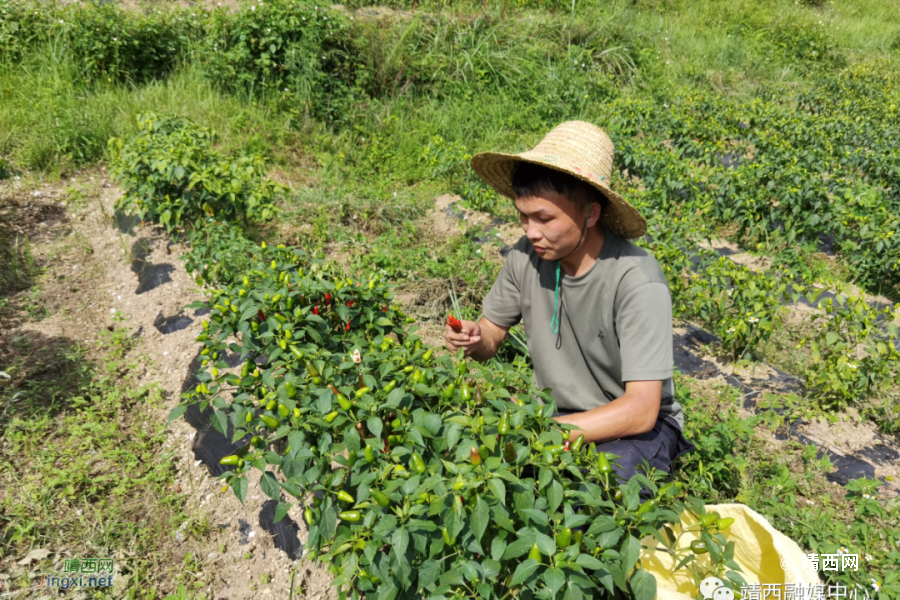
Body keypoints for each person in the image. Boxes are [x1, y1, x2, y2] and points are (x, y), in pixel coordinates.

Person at [444, 121, 694, 486]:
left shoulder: (636, 280)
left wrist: (546, 433)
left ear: (590, 215)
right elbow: (492, 334)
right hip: (556, 416)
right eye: (523, 216)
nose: (531, 231)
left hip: (630, 428)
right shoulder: (525, 257)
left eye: (544, 218)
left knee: (605, 478)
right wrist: (473, 337)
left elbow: (641, 409)